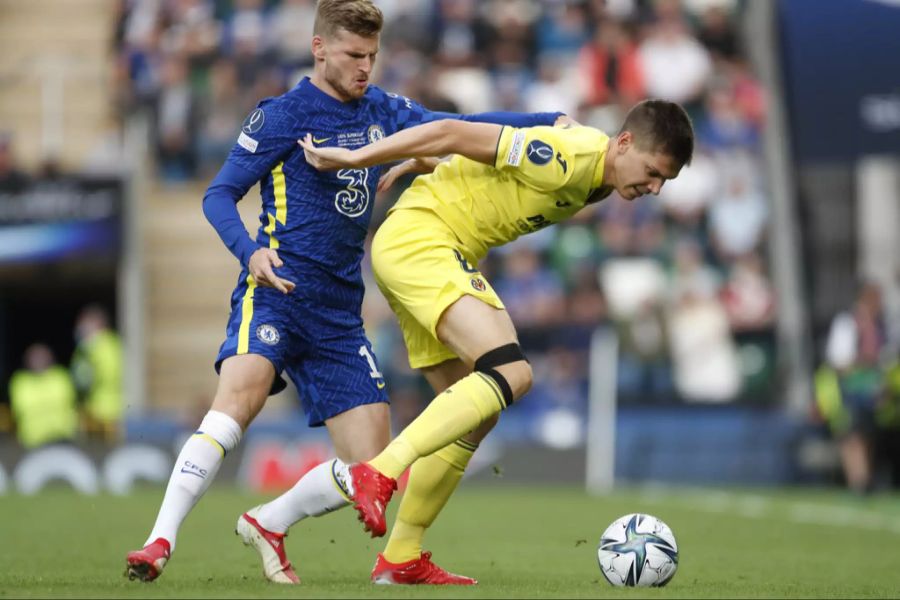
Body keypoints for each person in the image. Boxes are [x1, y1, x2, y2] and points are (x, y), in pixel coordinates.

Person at [124, 0, 568, 585]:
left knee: (369, 465)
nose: (365, 68)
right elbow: (219, 195)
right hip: (277, 290)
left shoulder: (384, 109)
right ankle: (159, 540)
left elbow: (460, 126)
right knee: (241, 394)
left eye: (373, 56)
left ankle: (269, 521)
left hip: (338, 314)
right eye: (355, 55)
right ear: (320, 49)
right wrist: (250, 252)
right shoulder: (283, 114)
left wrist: (544, 121)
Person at [299, 98, 694, 582]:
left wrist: (441, 163)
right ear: (626, 142)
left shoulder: (596, 171)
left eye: (664, 182)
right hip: (423, 243)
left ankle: (399, 555)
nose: (654, 188)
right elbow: (451, 128)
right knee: (513, 372)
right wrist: (362, 156)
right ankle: (379, 470)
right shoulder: (568, 158)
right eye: (653, 172)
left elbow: (535, 127)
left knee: (472, 415)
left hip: (421, 246)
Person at [9, 343, 79, 449]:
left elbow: (67, 400)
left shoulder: (61, 376)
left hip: (62, 438)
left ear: (50, 358)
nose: (39, 361)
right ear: (27, 360)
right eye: (35, 358)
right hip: (32, 442)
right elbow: (22, 407)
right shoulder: (19, 381)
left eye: (42, 357)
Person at [71, 305, 123, 443]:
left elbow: (86, 380)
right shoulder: (89, 347)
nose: (81, 327)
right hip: (96, 411)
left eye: (84, 323)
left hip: (105, 413)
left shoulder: (101, 346)